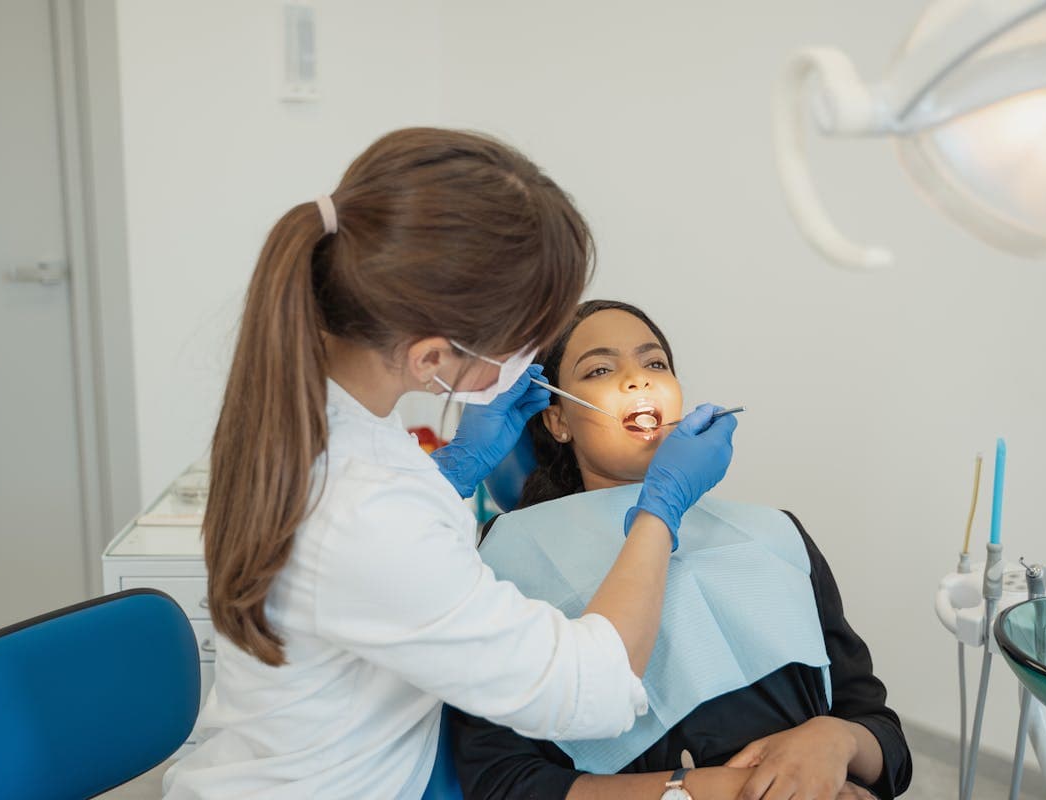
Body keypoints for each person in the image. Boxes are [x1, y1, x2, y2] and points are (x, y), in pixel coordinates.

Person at [162, 130, 738, 799]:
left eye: (653, 363)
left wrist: (456, 467)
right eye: (532, 340)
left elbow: (366, 556)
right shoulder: (367, 512)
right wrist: (660, 509)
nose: (635, 386)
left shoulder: (312, 410)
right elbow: (590, 688)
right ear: (433, 358)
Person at [451, 300, 912, 800]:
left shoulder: (778, 535)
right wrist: (704, 790)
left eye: (655, 364)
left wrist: (834, 740)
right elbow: (503, 783)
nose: (637, 381)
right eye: (601, 369)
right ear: (558, 421)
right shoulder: (509, 560)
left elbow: (881, 733)